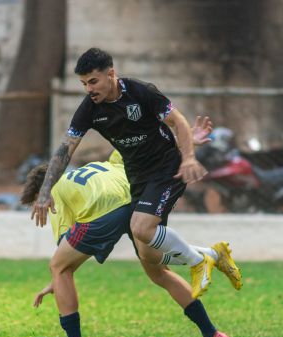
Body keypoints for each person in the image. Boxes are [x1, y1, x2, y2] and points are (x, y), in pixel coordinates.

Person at [23, 118, 242, 337]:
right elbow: (147, 150)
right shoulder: (105, 164)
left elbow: (64, 258)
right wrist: (187, 141)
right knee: (159, 272)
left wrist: (57, 278)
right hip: (139, 202)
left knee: (59, 267)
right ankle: (212, 334)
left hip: (104, 210)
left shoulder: (53, 192)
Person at [32, 47, 224, 300]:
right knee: (149, 256)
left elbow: (178, 121)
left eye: (93, 81)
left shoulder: (141, 92)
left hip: (167, 168)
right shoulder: (89, 109)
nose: (89, 89)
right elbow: (65, 149)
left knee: (141, 228)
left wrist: (188, 157)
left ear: (110, 74)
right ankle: (211, 255)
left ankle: (197, 262)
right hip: (136, 176)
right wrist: (45, 192)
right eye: (83, 83)